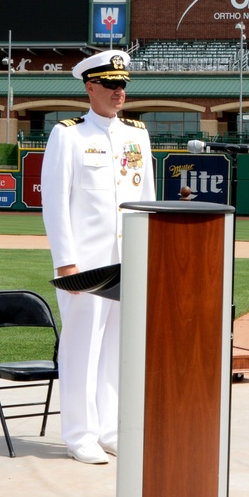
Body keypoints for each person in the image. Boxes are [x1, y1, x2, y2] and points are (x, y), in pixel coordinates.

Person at [41, 50, 155, 464]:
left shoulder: (137, 135)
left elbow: (146, 199)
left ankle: (108, 429)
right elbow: (55, 204)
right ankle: (79, 434)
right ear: (90, 87)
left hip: (128, 261)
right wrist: (65, 263)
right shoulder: (68, 135)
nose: (119, 92)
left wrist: (149, 254)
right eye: (110, 84)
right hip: (85, 265)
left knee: (116, 350)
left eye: (122, 84)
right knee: (81, 349)